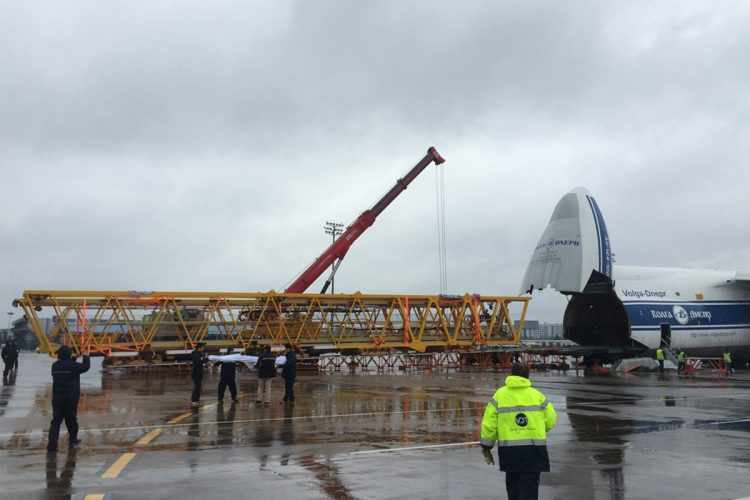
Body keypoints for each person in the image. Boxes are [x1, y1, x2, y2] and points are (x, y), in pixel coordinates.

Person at [480, 363, 557, 500]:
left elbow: (489, 423)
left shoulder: (500, 395)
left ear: (511, 375)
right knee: (530, 489)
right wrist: (538, 429)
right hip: (534, 450)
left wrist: (487, 446)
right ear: (527, 376)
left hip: (510, 451)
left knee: (513, 487)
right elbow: (551, 419)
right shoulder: (537, 395)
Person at [48, 346, 90, 452]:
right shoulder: (72, 366)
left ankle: (52, 445)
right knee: (71, 420)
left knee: (56, 421)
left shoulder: (55, 366)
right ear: (69, 355)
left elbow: (68, 365)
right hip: (70, 398)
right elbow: (85, 367)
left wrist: (74, 358)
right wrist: (86, 356)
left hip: (57, 398)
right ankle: (73, 440)